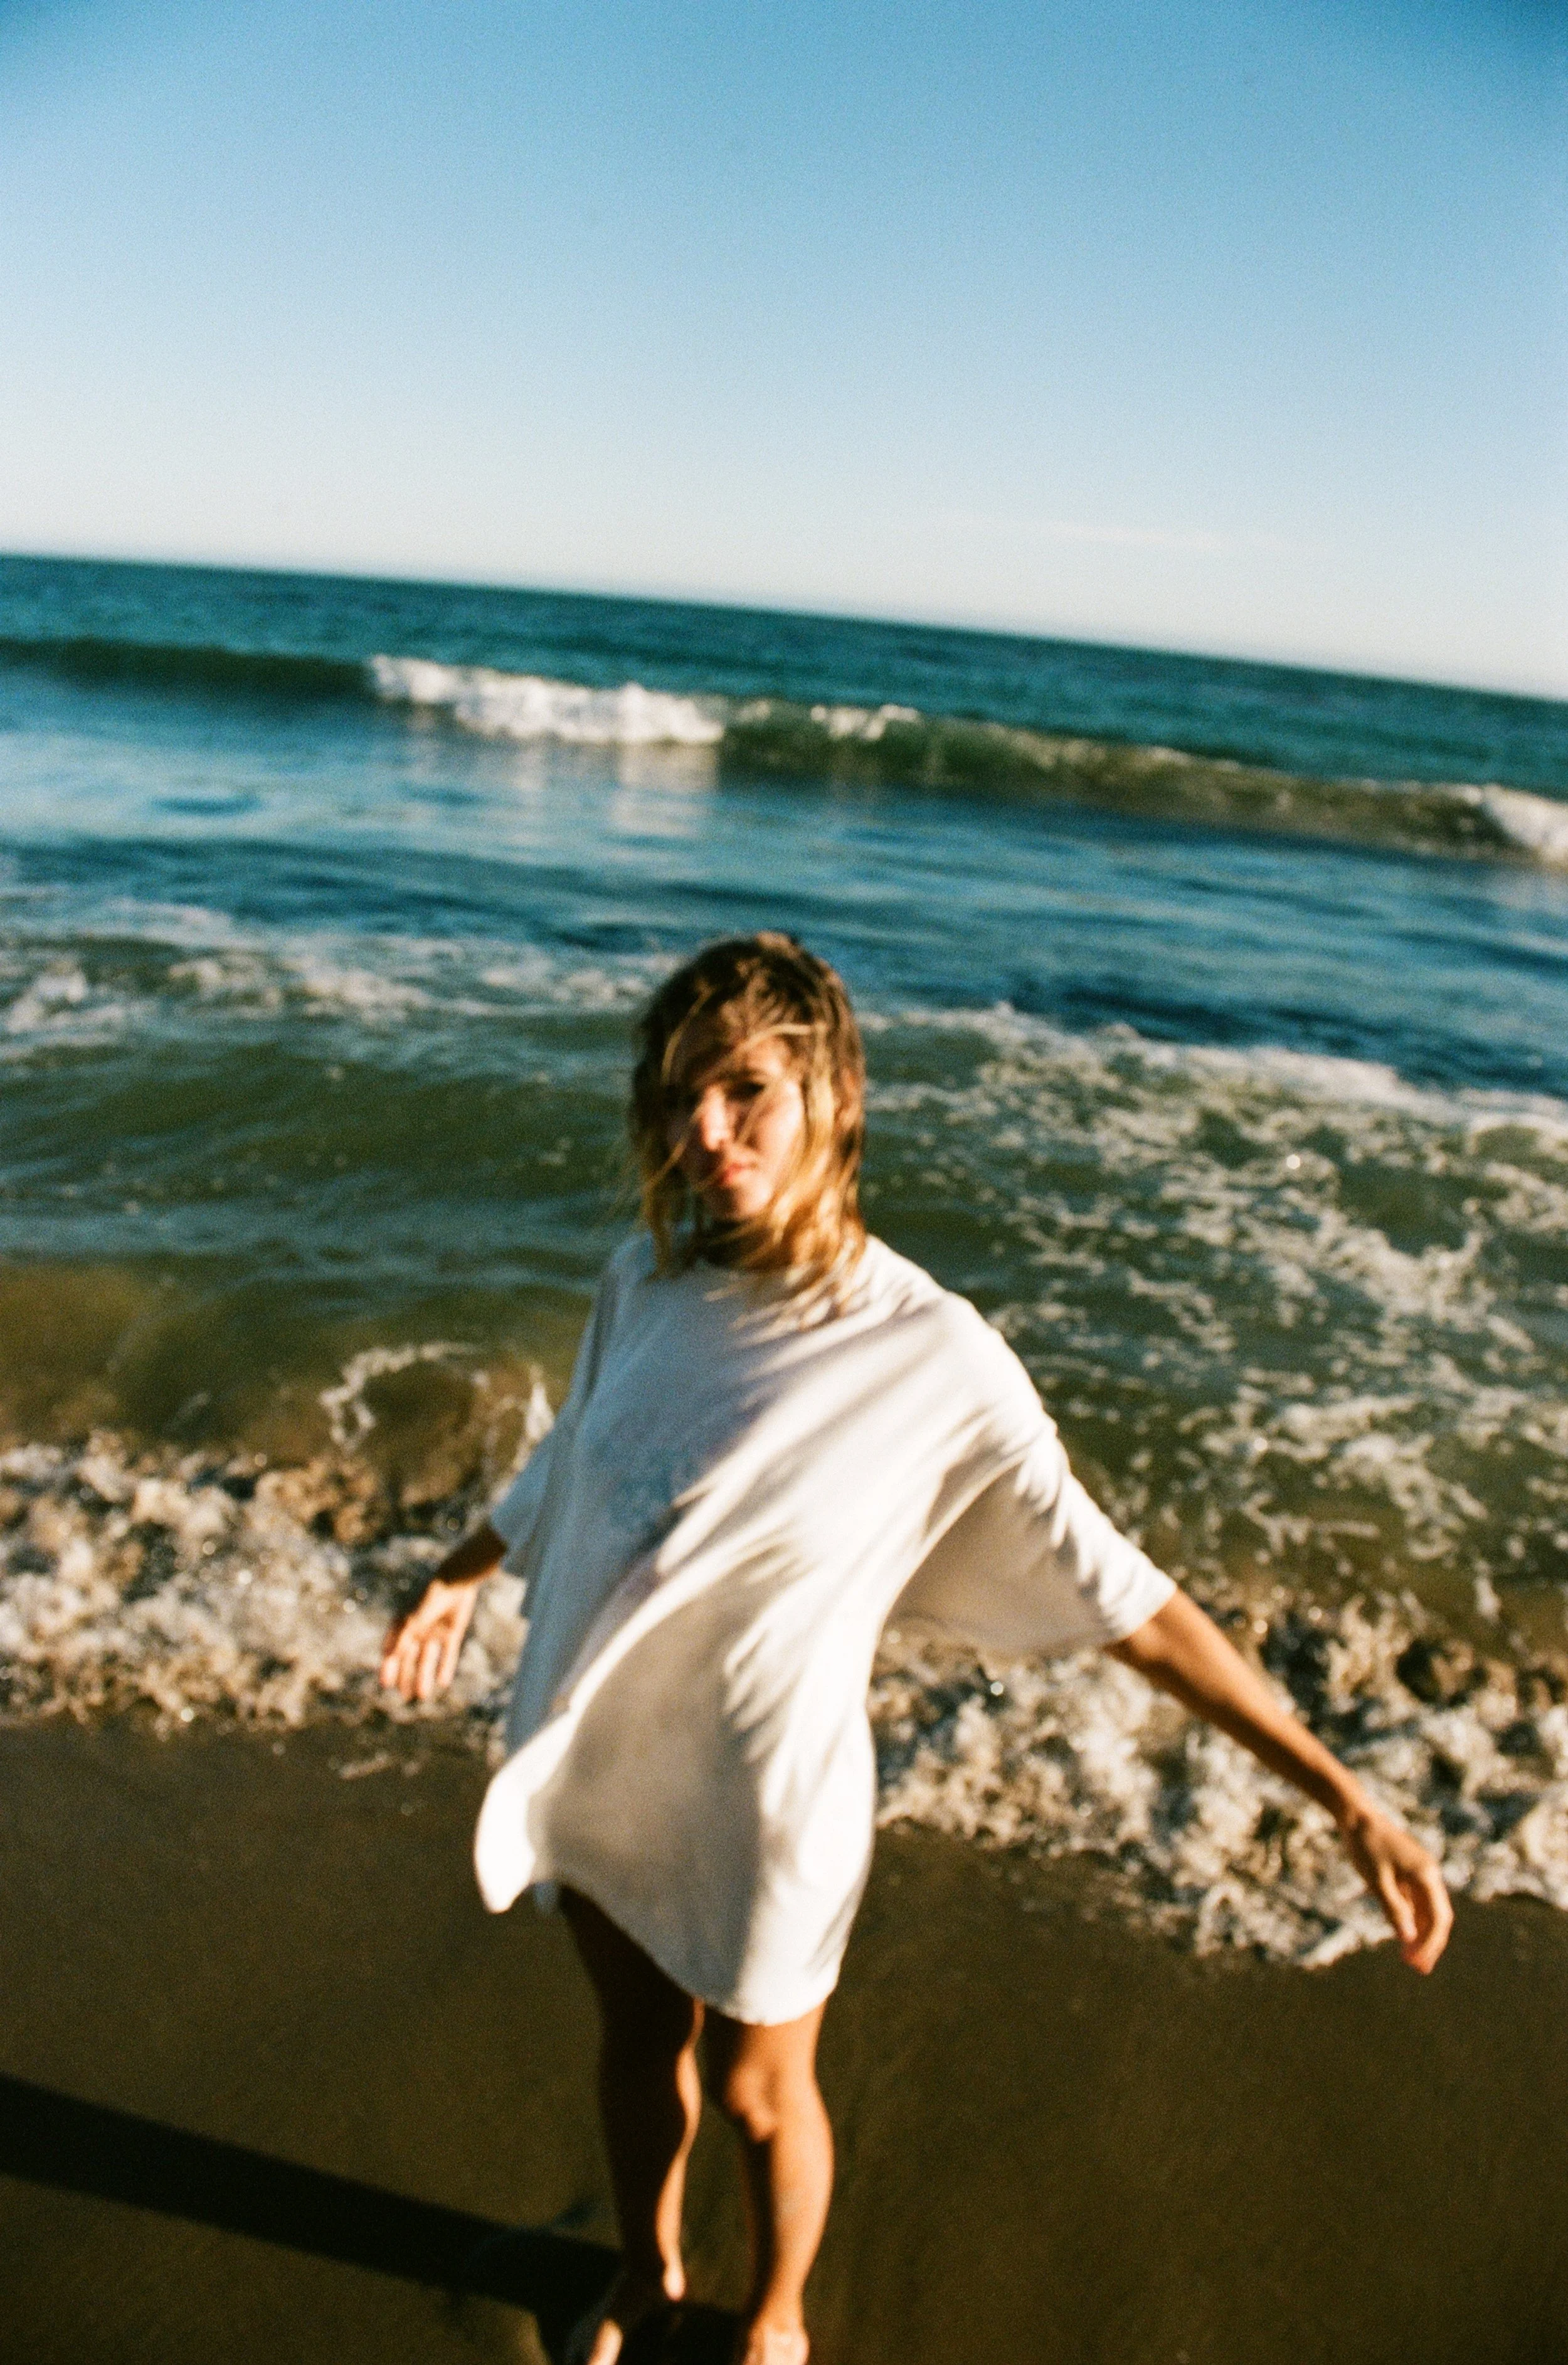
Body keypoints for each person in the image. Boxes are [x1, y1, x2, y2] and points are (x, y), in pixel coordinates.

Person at [381, 932, 1451, 2365]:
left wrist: (1346, 1797)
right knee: (637, 2049)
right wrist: (463, 1572)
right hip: (594, 1742)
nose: (704, 1131)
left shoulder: (932, 1354)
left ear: (827, 1090)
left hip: (768, 1798)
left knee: (762, 2094)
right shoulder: (642, 1274)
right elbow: (577, 1449)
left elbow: (1132, 1605)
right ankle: (646, 2275)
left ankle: (773, 2315)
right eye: (678, 1099)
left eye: (744, 1090)